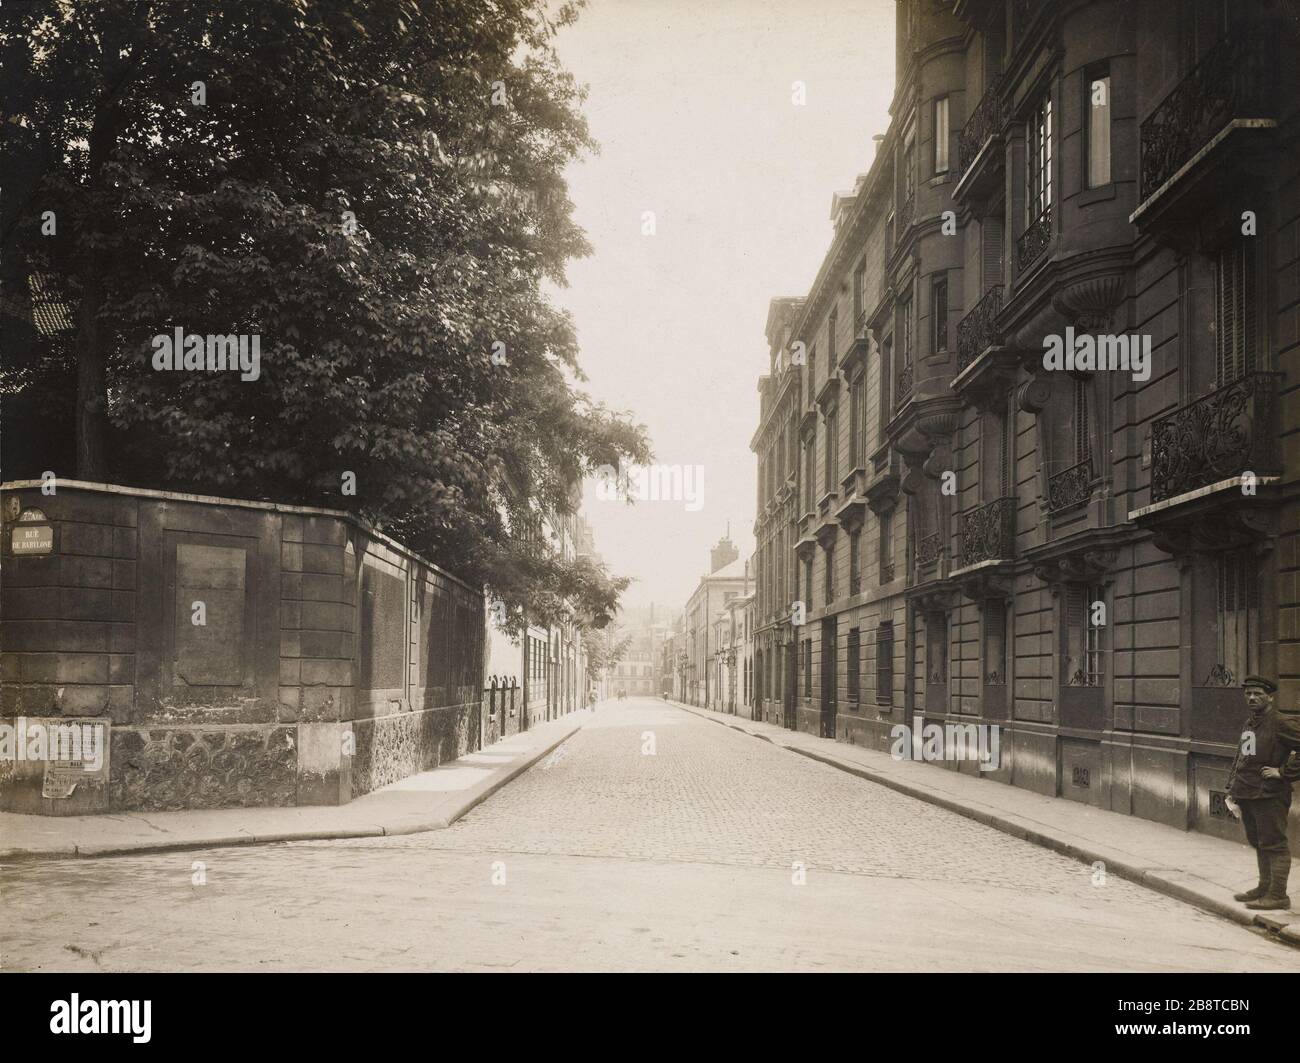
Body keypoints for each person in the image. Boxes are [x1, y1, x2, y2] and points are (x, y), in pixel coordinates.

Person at [1225, 675, 1300, 910]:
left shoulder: (1281, 722)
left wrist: (1283, 772)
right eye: (1248, 693)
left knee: (1274, 843)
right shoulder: (1251, 722)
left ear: (1270, 697)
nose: (1252, 697)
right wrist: (1232, 788)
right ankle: (1264, 887)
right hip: (1247, 792)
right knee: (1258, 842)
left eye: (1257, 693)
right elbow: (1243, 758)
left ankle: (1278, 895)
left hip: (1270, 794)